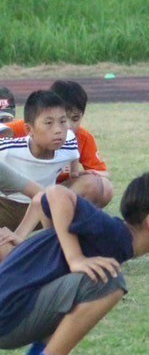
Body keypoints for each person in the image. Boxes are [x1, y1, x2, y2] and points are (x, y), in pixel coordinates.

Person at [0, 171, 149, 355]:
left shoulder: (116, 241)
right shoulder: (110, 232)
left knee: (93, 280)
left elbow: (42, 201)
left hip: (10, 314)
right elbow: (55, 194)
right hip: (8, 317)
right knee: (107, 280)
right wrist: (75, 258)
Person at [0, 90, 83, 244]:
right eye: (49, 123)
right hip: (6, 206)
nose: (58, 129)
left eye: (63, 121)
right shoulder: (7, 149)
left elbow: (40, 197)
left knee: (96, 186)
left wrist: (74, 172)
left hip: (42, 206)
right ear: (28, 130)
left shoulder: (69, 142)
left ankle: (59, 241)